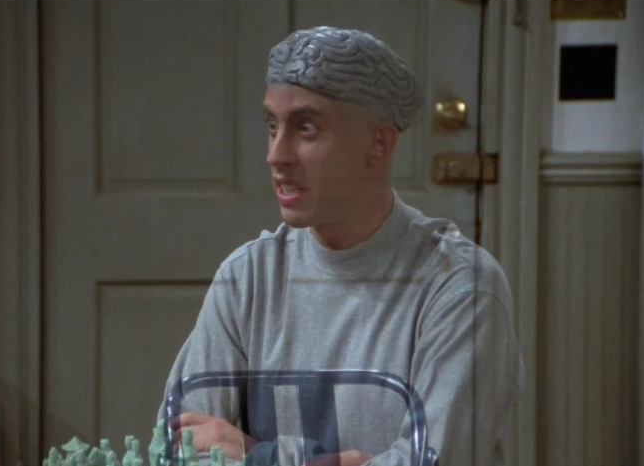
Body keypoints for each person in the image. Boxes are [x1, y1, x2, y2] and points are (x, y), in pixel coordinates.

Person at [157, 26, 524, 466]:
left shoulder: (460, 288)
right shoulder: (247, 279)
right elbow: (179, 450)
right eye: (272, 126)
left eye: (306, 128)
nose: (276, 155)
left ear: (378, 143)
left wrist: (259, 456)